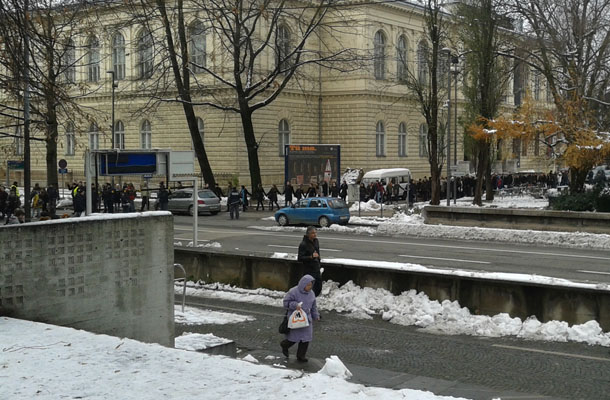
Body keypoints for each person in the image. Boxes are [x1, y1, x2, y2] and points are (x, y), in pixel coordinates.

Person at [280, 274, 320, 362]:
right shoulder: (293, 291)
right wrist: (295, 305)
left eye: (311, 285)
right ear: (303, 284)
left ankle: (301, 356)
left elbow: (314, 306)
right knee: (293, 338)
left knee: (306, 338)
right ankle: (285, 345)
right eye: (308, 285)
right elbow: (286, 303)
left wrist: (316, 315)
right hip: (296, 319)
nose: (310, 287)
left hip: (307, 320)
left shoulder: (311, 293)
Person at [297, 226, 322, 297]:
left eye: (315, 233)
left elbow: (317, 252)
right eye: (313, 233)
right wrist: (310, 257)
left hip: (316, 267)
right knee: (310, 286)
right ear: (308, 234)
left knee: (319, 285)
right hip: (309, 269)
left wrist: (319, 260)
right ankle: (308, 298)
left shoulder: (316, 241)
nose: (315, 234)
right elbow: (300, 258)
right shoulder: (303, 244)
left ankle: (314, 297)